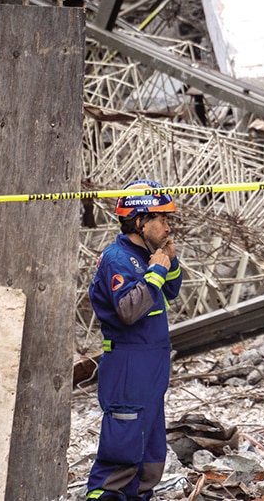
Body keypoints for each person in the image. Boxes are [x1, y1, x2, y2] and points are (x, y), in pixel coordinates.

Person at [87, 179, 184, 501]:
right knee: (123, 448)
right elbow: (129, 309)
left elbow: (168, 291)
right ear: (141, 221)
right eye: (162, 219)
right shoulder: (118, 258)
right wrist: (156, 270)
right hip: (129, 365)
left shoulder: (146, 255)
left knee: (150, 450)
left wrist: (169, 263)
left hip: (151, 365)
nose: (168, 227)